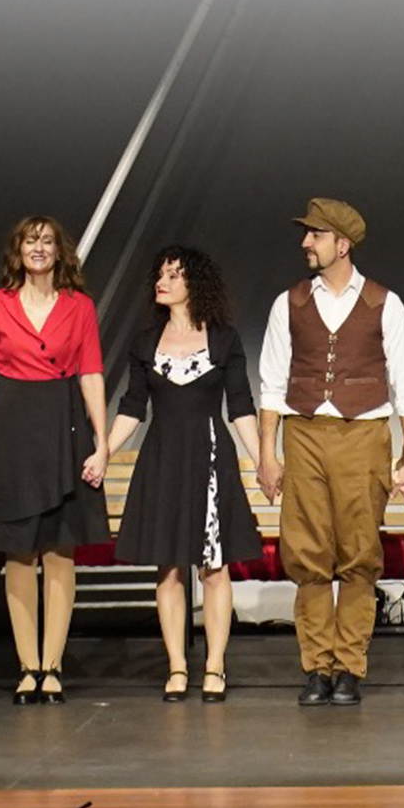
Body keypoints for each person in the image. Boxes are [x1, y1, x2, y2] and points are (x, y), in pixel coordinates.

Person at [255, 199, 404, 707]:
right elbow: (271, 384)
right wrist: (268, 453)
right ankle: (317, 667)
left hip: (363, 434)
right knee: (307, 552)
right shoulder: (289, 303)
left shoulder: (384, 303)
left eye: (316, 235)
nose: (306, 243)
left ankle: (349, 666)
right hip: (304, 432)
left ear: (342, 244)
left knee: (358, 553)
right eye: (307, 234)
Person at [0, 216, 110, 704]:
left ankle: (53, 665)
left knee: (59, 549)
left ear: (59, 251)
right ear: (18, 251)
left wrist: (102, 442)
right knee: (19, 551)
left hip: (64, 426)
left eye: (47, 241)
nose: (39, 248)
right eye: (31, 241)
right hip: (14, 430)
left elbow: (91, 374)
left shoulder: (79, 306)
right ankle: (28, 667)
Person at [108, 246, 263, 704]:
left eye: (174, 274)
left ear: (195, 284)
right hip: (163, 458)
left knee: (214, 566)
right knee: (169, 567)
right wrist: (104, 451)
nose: (163, 281)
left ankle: (214, 665)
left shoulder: (224, 340)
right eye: (160, 274)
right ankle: (177, 666)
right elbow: (133, 406)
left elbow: (240, 405)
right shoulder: (145, 343)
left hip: (210, 456)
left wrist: (262, 459)